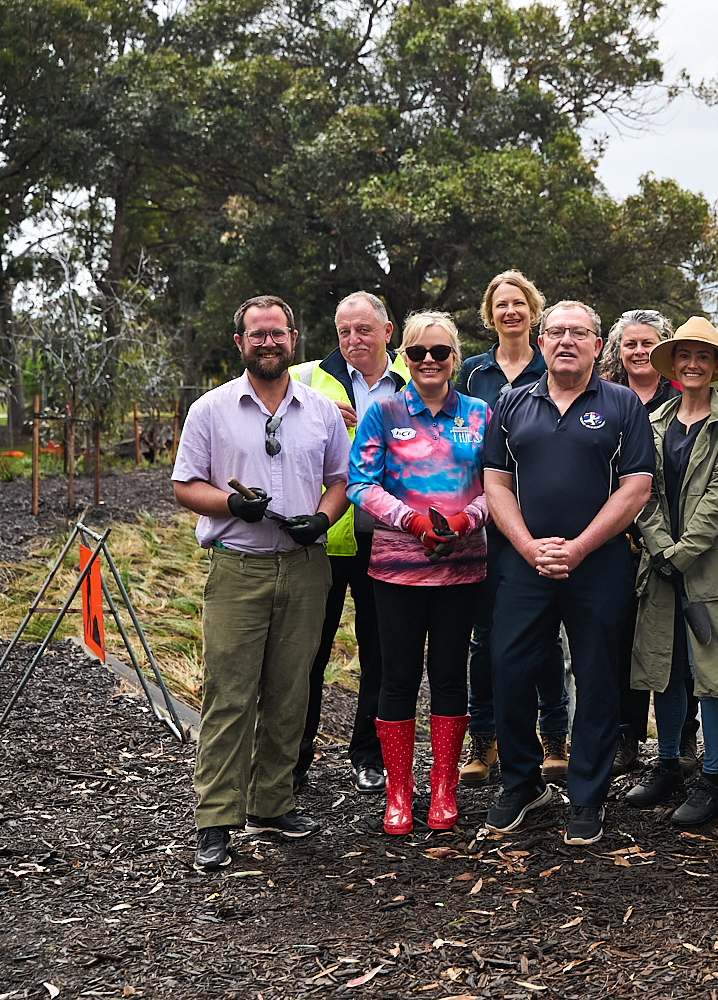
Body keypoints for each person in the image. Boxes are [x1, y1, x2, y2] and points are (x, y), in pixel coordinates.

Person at [172, 294, 350, 871]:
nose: (268, 342)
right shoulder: (211, 410)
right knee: (229, 694)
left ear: (293, 339)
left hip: (304, 569)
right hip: (238, 569)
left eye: (277, 333)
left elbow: (341, 479)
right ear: (240, 344)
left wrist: (322, 518)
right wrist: (228, 504)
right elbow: (184, 485)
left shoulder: (321, 411)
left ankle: (272, 802)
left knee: (290, 690)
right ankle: (216, 819)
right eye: (257, 335)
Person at [482, 299, 654, 845]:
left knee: (598, 677)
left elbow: (636, 487)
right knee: (507, 668)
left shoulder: (623, 405)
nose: (565, 342)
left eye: (578, 333)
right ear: (541, 343)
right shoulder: (512, 403)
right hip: (524, 562)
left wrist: (579, 547)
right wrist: (529, 545)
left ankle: (587, 795)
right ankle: (521, 783)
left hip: (598, 563)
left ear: (597, 345)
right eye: (555, 332)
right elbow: (495, 483)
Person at [347, 311, 489, 835]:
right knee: (398, 677)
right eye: (417, 353)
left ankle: (444, 790)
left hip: (463, 567)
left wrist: (464, 518)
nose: (429, 361)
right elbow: (360, 483)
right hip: (395, 568)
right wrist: (409, 520)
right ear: (404, 356)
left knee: (451, 676)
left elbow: (496, 485)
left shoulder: (479, 413)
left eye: (440, 352)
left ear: (454, 357)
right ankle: (399, 794)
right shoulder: (382, 412)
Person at [624, 318, 718, 825]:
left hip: (710, 568)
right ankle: (669, 764)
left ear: (715, 365)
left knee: (712, 674)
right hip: (659, 568)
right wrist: (660, 547)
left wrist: (680, 552)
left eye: (703, 356)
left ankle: (715, 779)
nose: (693, 364)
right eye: (684, 356)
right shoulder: (653, 424)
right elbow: (641, 490)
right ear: (672, 364)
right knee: (666, 668)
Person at [289, 291, 408, 796]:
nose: (354, 340)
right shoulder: (305, 379)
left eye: (364, 329)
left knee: (381, 653)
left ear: (388, 331)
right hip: (326, 536)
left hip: (389, 537)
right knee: (306, 652)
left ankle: (369, 755)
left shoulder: (419, 372)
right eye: (343, 331)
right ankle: (293, 758)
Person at [455, 270, 570, 787]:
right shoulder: (474, 374)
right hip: (482, 520)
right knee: (485, 636)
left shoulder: (554, 366)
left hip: (542, 517)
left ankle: (554, 736)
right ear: (490, 313)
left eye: (519, 303)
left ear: (533, 311)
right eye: (500, 304)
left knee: (544, 635)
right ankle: (485, 740)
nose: (510, 312)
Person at [598, 310, 689, 775]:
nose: (637, 351)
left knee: (675, 644)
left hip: (671, 540)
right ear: (618, 349)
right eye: (629, 343)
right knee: (622, 643)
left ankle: (683, 742)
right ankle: (626, 738)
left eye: (646, 343)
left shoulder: (684, 397)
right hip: (615, 538)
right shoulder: (605, 399)